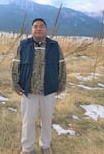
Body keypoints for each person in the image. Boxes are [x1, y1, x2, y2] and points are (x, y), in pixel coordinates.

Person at [11, 18, 66, 154]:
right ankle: (27, 148)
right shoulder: (23, 45)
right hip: (28, 91)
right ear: (32, 29)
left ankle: (45, 145)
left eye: (41, 26)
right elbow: (15, 65)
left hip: (49, 90)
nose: (38, 28)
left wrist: (61, 84)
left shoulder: (54, 46)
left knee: (46, 121)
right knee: (28, 121)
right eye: (35, 26)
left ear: (46, 29)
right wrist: (16, 85)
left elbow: (62, 66)